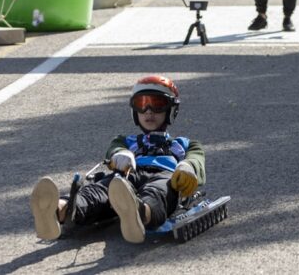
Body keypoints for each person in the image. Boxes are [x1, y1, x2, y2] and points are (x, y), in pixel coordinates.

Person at [29, 76, 206, 244]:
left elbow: (196, 159)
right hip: (126, 175)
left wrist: (187, 167)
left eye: (157, 104)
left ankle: (139, 212)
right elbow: (114, 149)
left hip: (164, 176)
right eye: (142, 104)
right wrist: (121, 154)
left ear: (171, 109)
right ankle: (58, 209)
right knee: (98, 191)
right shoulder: (126, 141)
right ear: (134, 110)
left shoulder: (184, 144)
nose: (149, 111)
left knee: (158, 193)